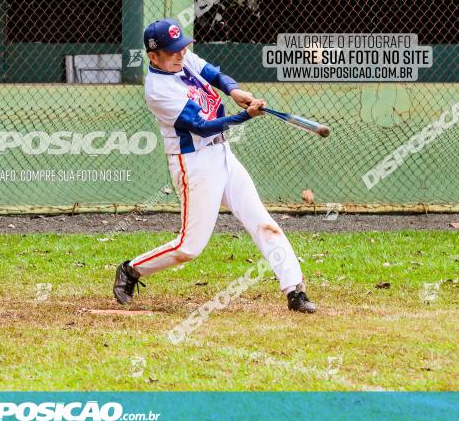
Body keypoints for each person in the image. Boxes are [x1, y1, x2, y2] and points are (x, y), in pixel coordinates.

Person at [112, 18, 316, 313]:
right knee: (189, 247)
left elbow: (213, 74)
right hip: (194, 164)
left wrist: (234, 91)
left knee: (264, 223)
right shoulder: (158, 89)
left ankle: (295, 290)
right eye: (172, 52)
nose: (180, 55)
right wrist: (245, 116)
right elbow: (202, 126)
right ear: (153, 57)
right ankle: (131, 270)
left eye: (181, 48)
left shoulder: (183, 59)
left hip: (223, 155)